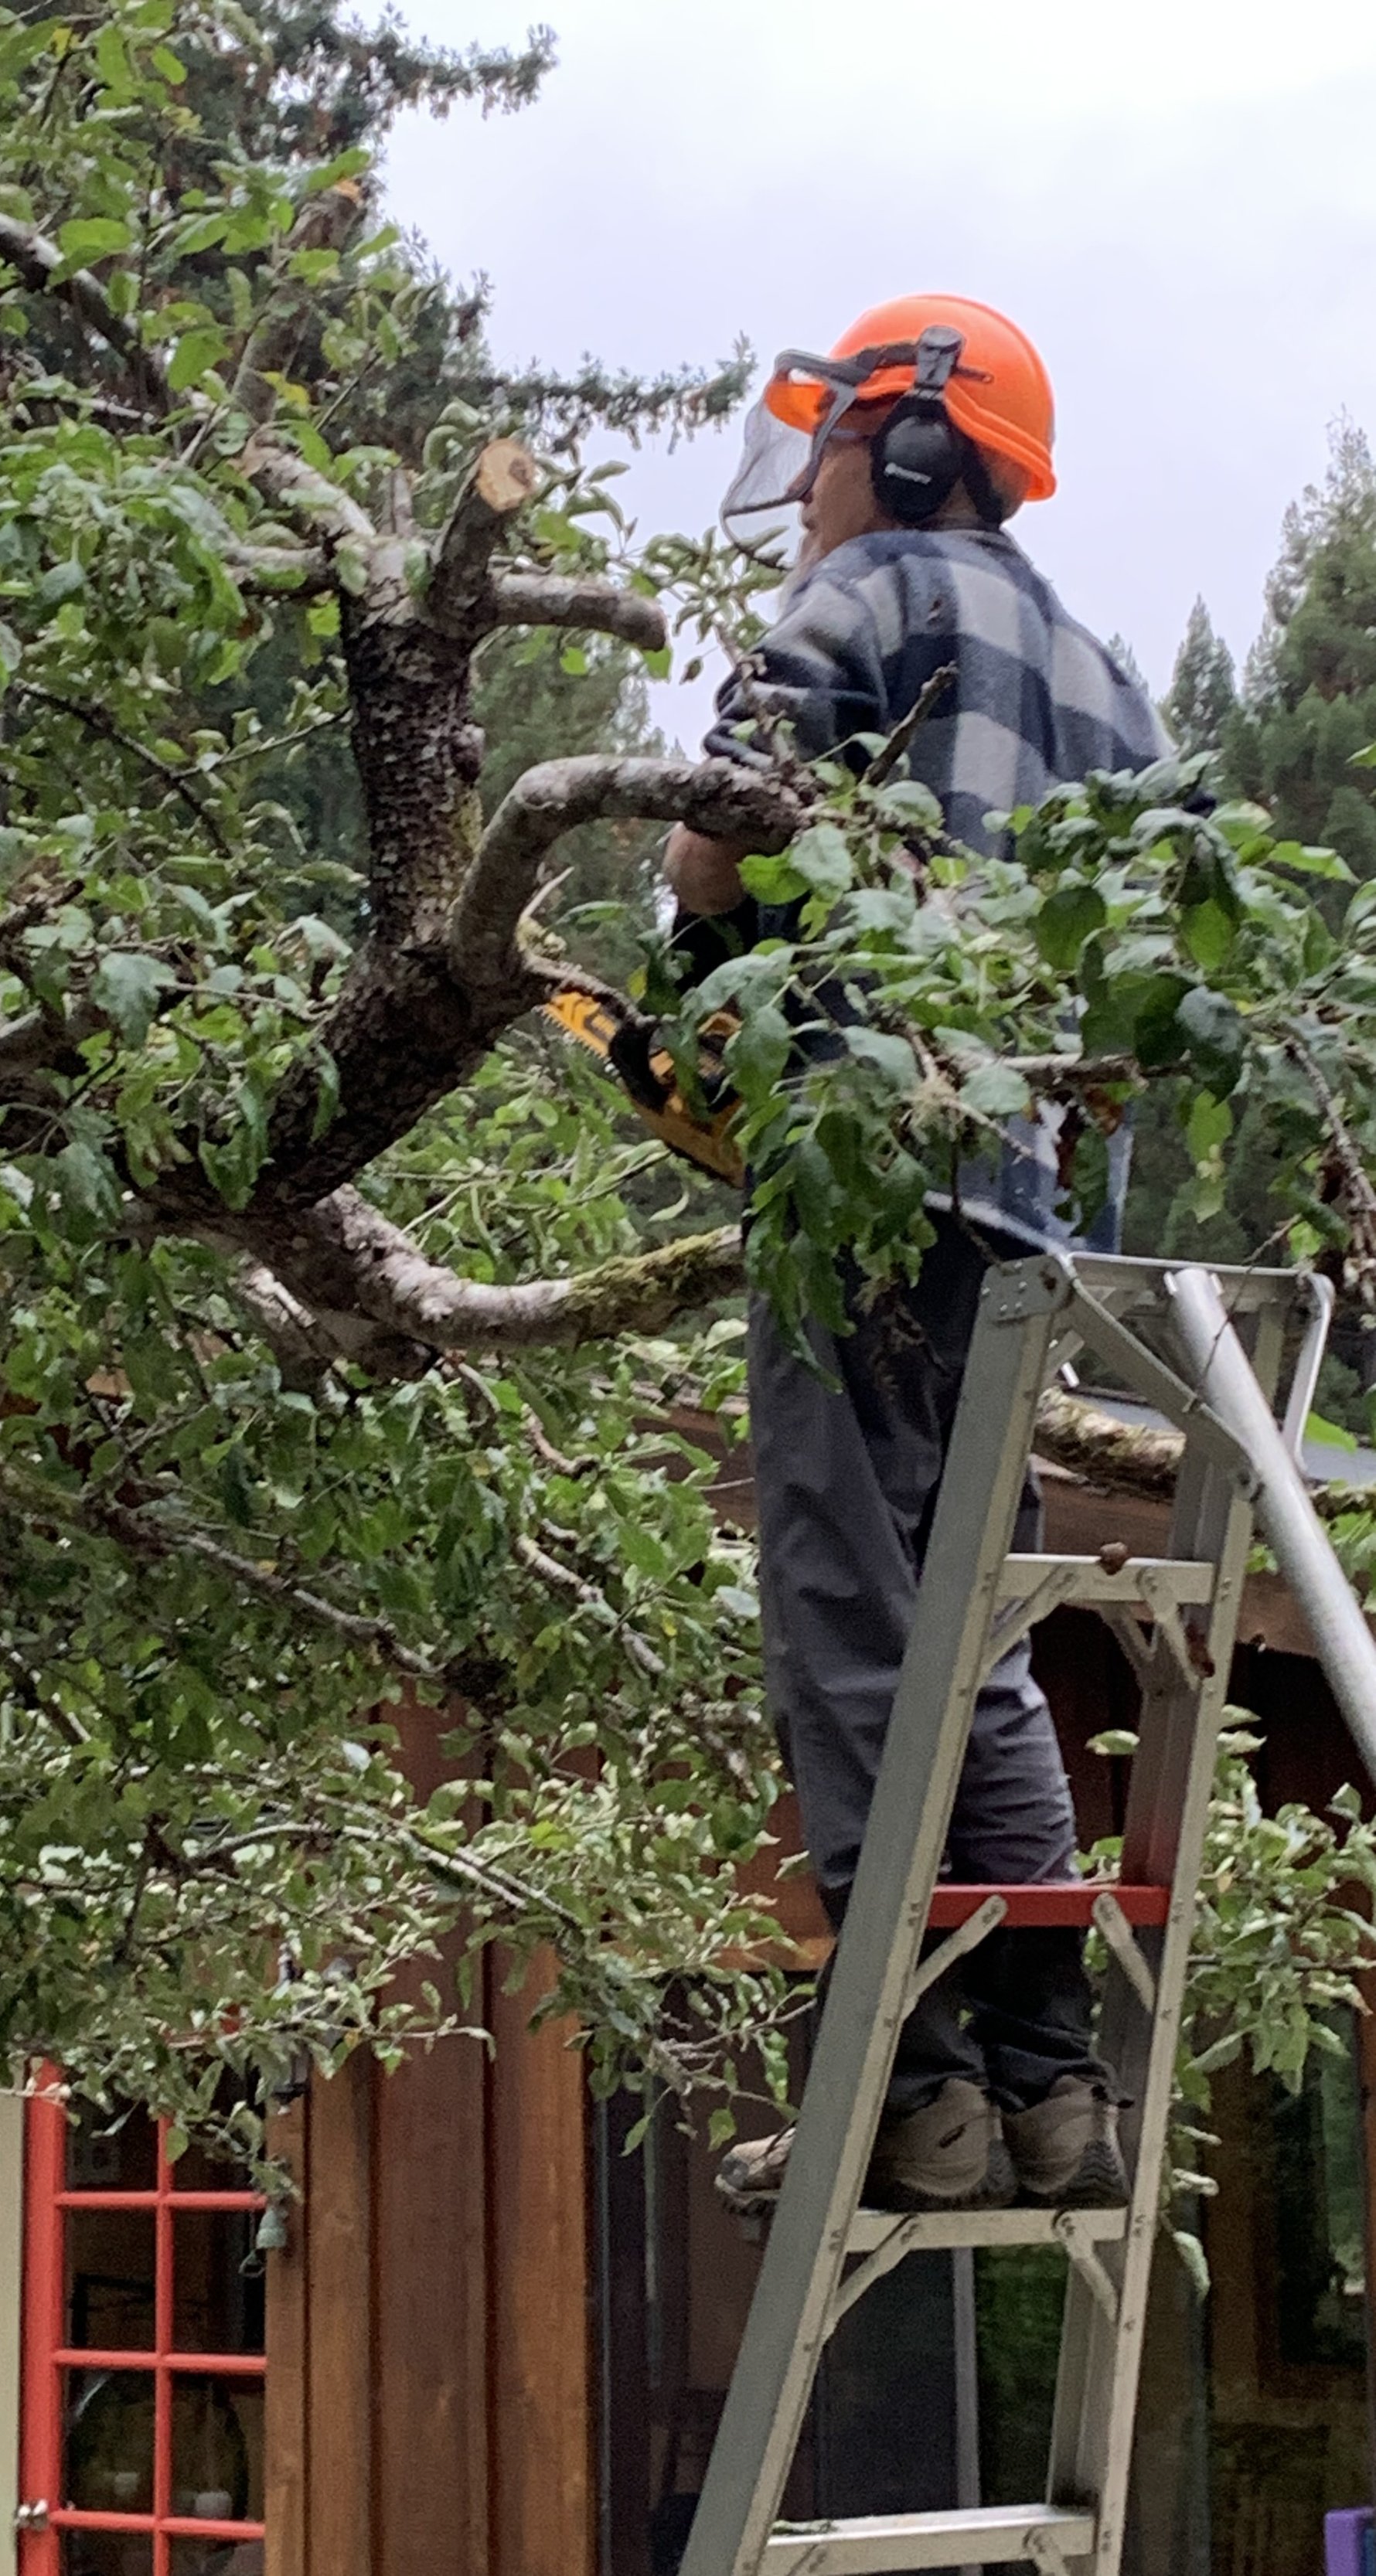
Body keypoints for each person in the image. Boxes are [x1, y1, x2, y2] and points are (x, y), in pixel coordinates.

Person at [671, 294, 1172, 2214]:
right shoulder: (1107, 672)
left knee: (848, 1622)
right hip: (1034, 1225)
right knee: (977, 1650)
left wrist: (711, 941)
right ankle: (1046, 2081)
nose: (800, 483)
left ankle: (910, 2082)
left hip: (866, 1184)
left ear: (896, 444)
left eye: (823, 444)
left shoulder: (865, 591)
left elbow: (714, 851)